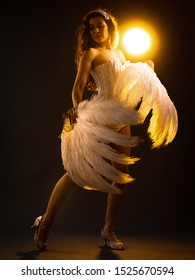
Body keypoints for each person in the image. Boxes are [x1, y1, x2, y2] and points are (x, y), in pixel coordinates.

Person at [31, 8, 178, 251]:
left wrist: (144, 74)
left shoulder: (118, 52)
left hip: (120, 116)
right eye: (93, 28)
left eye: (101, 26)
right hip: (101, 114)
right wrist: (77, 110)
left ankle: (108, 230)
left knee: (121, 176)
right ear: (89, 32)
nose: (97, 31)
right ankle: (45, 222)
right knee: (76, 173)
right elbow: (78, 87)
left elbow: (123, 81)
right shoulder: (91, 53)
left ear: (110, 28)